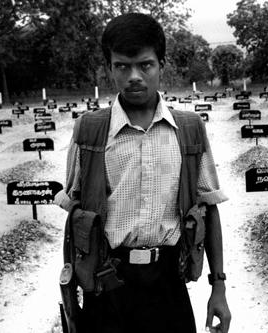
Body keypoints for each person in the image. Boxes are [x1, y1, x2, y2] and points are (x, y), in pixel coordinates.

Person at [55, 13, 231, 333]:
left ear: (161, 65)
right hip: (107, 287)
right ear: (109, 69)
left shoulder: (189, 130)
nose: (134, 76)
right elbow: (74, 215)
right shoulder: (90, 131)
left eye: (145, 65)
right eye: (122, 66)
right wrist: (72, 287)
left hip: (168, 284)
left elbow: (209, 208)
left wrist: (218, 287)